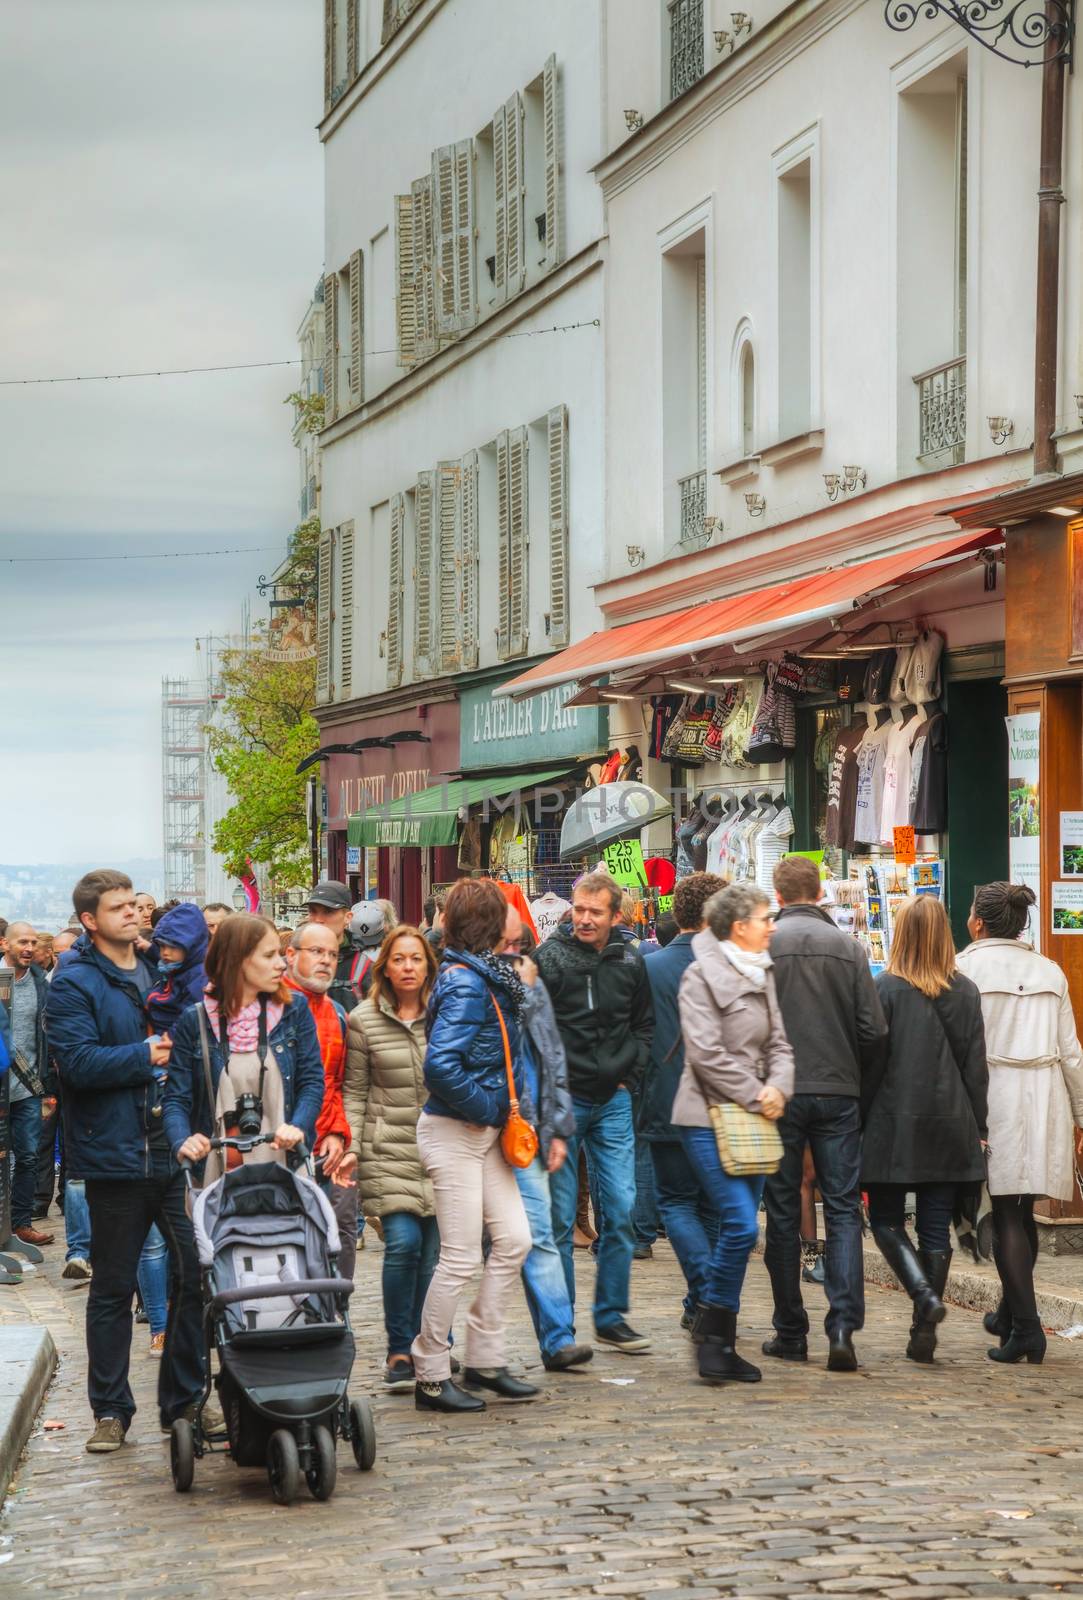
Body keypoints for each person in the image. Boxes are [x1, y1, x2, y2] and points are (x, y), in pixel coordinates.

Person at [45, 870, 206, 1453]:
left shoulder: (158, 968)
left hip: (173, 1145)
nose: (133, 915)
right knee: (112, 1287)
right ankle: (110, 1411)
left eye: (133, 906)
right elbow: (78, 1065)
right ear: (90, 920)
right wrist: (143, 1055)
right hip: (114, 1153)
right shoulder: (74, 982)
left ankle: (184, 1399)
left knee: (196, 1274)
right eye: (117, 909)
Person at [411, 879, 537, 1413]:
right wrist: (492, 1109)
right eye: (507, 910)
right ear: (489, 923)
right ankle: (431, 1373)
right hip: (457, 1131)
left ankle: (485, 1358)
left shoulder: (482, 973)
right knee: (460, 1258)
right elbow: (440, 1066)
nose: (517, 916)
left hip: (480, 1132)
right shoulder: (467, 981)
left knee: (514, 1240)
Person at [761, 855, 888, 1373]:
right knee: (840, 1209)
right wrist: (861, 1086)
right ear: (819, 893)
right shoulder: (850, 948)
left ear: (779, 893)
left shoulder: (762, 945)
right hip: (838, 1091)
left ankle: (791, 1329)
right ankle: (842, 1328)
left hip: (780, 1094)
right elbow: (874, 1031)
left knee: (784, 1211)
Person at [958, 882, 1083, 1366]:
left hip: (994, 1097)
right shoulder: (1049, 971)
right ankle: (1011, 1313)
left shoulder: (964, 968)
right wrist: (1079, 1116)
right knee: (1023, 1207)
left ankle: (1028, 1331)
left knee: (1007, 1211)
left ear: (978, 922)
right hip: (1045, 1095)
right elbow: (1072, 1055)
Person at [673, 884, 794, 1384]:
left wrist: (779, 1088)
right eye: (765, 918)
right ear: (738, 926)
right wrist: (755, 1092)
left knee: (736, 1232)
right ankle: (712, 1333)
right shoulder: (699, 977)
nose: (772, 926)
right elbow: (704, 1054)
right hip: (706, 1117)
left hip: (756, 1120)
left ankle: (717, 1339)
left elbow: (782, 1043)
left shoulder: (763, 972)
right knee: (742, 1226)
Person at [862, 896, 988, 1364]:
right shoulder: (967, 991)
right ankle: (923, 1328)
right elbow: (975, 1067)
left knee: (886, 1221)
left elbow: (870, 1066)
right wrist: (980, 1124)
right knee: (936, 1230)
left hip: (892, 1124)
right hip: (950, 1124)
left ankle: (924, 1297)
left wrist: (857, 1120)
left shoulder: (885, 989)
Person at [537, 870, 655, 1354]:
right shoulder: (549, 958)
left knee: (623, 1208)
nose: (584, 919)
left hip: (612, 1100)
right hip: (563, 1102)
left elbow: (644, 1023)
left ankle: (610, 1316)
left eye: (595, 912)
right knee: (562, 1219)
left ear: (614, 915)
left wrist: (631, 1075)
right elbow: (535, 1030)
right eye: (579, 909)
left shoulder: (630, 958)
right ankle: (560, 1332)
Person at [343, 925, 440, 1392]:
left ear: (428, 966)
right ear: (385, 966)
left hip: (441, 1150)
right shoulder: (362, 1020)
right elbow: (355, 1093)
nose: (407, 967)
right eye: (399, 959)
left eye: (416, 959)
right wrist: (353, 1151)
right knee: (403, 1244)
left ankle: (432, 1344)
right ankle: (400, 1347)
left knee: (435, 1256)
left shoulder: (445, 1015)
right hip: (388, 1150)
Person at [497, 904, 591, 1372]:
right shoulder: (460, 981)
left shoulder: (529, 985)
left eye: (521, 946)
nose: (515, 954)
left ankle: (558, 1337)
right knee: (452, 1255)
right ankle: (436, 1349)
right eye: (506, 945)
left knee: (541, 1236)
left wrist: (555, 1127)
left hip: (525, 1130)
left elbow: (550, 1055)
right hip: (472, 1132)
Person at [164, 913, 326, 1182]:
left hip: (286, 1169)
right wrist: (183, 1140)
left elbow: (311, 1082)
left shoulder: (293, 1011)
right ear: (237, 960)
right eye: (269, 955)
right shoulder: (196, 1021)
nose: (281, 965)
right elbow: (176, 1098)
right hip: (217, 1176)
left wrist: (298, 1126)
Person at [640, 873, 726, 1332]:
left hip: (668, 1096)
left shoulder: (650, 968)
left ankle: (703, 1296)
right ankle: (704, 1298)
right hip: (724, 1100)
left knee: (676, 1202)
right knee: (710, 1204)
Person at [283, 920, 359, 1285]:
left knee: (341, 1229)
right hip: (282, 1144)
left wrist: (339, 1135)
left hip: (328, 1146)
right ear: (290, 955)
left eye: (332, 954)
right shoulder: (271, 1008)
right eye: (317, 952)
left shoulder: (338, 1014)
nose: (326, 961)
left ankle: (335, 1307)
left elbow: (340, 1084)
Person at [1, 921, 54, 1246]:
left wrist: (47, 1087)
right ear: (5, 944)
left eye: (33, 942)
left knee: (29, 1156)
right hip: (1, 1084)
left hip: (29, 1088)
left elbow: (45, 1037)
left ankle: (20, 1223)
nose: (29, 947)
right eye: (22, 941)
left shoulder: (40, 983)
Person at [145, 901, 209, 1034]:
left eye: (173, 946)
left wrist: (170, 1038)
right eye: (161, 946)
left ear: (191, 946)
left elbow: (192, 1019)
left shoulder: (200, 978)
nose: (165, 952)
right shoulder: (178, 967)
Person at [305, 880, 357, 1013]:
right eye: (313, 911)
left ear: (348, 918)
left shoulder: (365, 967)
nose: (318, 919)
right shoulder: (289, 962)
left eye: (328, 912)